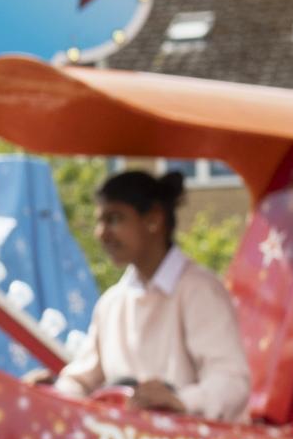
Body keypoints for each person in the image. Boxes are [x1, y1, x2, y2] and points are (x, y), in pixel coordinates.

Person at [57, 166, 252, 421]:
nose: (101, 233)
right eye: (100, 221)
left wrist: (180, 402)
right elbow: (81, 380)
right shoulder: (112, 303)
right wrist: (48, 394)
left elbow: (231, 381)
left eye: (114, 219)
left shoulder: (199, 290)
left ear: (154, 220)